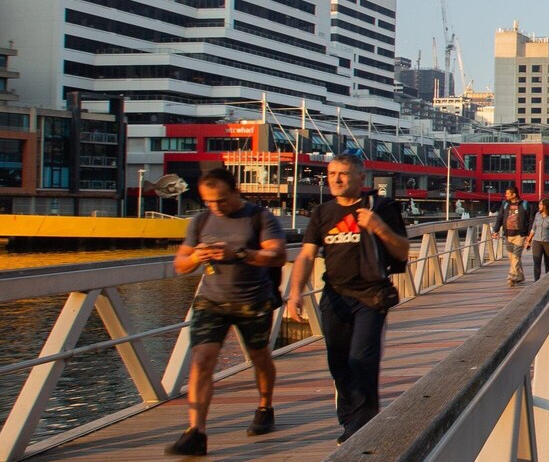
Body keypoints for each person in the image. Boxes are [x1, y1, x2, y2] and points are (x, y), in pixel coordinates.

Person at [284, 154, 409, 444]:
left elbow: (402, 251)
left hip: (371, 296)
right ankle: (349, 418)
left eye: (343, 174)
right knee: (338, 362)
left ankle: (363, 424)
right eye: (331, 174)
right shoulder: (322, 213)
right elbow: (305, 255)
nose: (336, 180)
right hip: (335, 296)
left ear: (360, 178)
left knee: (362, 358)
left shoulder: (381, 208)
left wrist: (378, 226)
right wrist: (294, 293)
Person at [165, 169, 286, 456]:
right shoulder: (201, 220)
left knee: (259, 357)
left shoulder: (259, 217)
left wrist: (240, 253)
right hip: (212, 301)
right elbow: (180, 264)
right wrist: (196, 256)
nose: (216, 207)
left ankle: (264, 405)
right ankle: (197, 431)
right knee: (202, 361)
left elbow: (278, 255)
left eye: (220, 200)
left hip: (252, 301)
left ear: (235, 190)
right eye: (209, 201)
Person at [494, 187, 532, 287]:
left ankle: (511, 277)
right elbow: (500, 217)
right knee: (512, 257)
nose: (506, 195)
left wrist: (529, 235)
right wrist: (496, 230)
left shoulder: (524, 204)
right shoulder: (505, 204)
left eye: (508, 193)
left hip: (520, 234)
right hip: (508, 234)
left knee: (515, 256)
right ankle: (520, 276)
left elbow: (530, 220)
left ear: (514, 194)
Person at [529, 199, 549, 280]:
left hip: (548, 242)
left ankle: (548, 282)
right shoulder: (537, 215)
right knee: (536, 262)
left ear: (546, 206)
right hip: (536, 241)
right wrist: (529, 240)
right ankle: (536, 282)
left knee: (548, 263)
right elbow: (533, 228)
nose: (539, 206)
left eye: (541, 204)